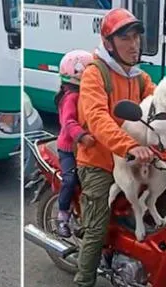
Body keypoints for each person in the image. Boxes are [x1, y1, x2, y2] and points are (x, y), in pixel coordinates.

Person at [73, 8, 156, 287]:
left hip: (131, 160)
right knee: (96, 229)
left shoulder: (140, 77)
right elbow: (97, 118)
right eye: (125, 37)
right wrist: (129, 145)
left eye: (136, 36)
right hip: (99, 162)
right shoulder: (96, 73)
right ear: (109, 43)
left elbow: (159, 107)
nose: (133, 44)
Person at [55, 49, 96, 238]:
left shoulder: (88, 94)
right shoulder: (71, 97)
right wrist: (82, 136)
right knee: (70, 179)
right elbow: (69, 122)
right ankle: (62, 214)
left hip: (85, 149)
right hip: (68, 149)